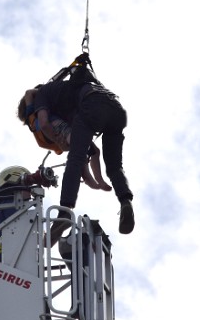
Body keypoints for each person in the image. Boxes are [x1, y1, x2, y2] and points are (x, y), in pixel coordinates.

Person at [21, 65, 134, 235]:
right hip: (116, 109)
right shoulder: (66, 101)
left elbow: (43, 122)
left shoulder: (41, 96)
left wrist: (53, 137)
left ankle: (64, 212)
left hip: (91, 104)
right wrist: (97, 180)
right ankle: (125, 201)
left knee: (75, 159)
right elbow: (93, 151)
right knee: (115, 166)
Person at [19, 87, 112, 192]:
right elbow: (28, 93)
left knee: (94, 151)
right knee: (76, 141)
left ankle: (99, 180)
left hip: (59, 134)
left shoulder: (50, 106)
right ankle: (88, 177)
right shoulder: (32, 110)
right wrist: (41, 91)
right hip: (51, 126)